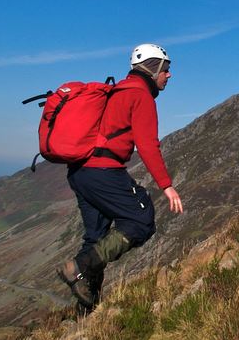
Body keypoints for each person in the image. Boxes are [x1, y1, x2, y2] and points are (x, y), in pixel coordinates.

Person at [57, 43, 183, 311]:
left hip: (80, 173)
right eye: (167, 68)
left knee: (95, 238)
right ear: (154, 68)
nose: (169, 75)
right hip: (103, 171)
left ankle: (87, 309)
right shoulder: (140, 96)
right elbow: (148, 145)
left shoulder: (116, 91)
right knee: (141, 220)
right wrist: (167, 186)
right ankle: (79, 267)